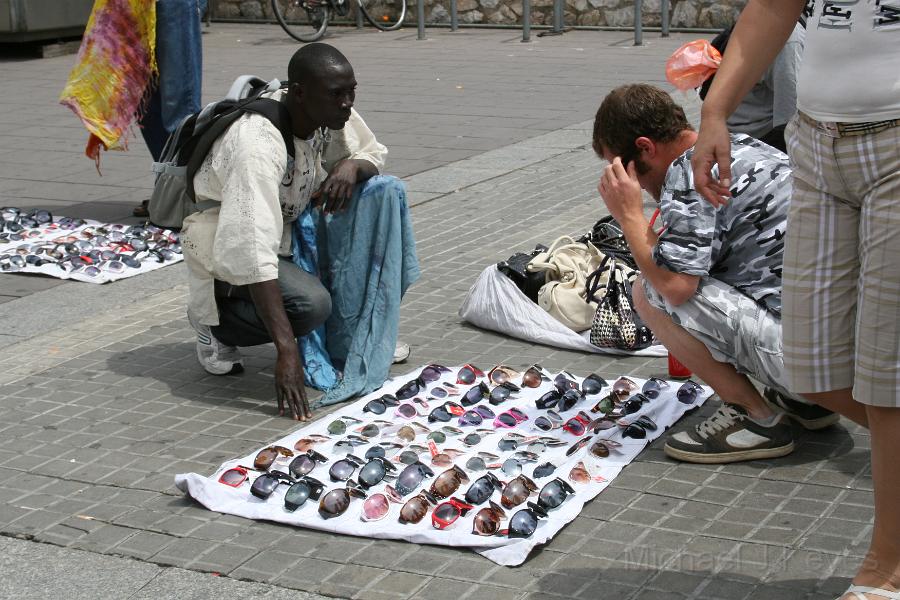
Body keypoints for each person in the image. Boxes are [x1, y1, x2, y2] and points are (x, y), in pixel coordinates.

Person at [690, 1, 899, 597]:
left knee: (886, 375)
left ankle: (887, 567)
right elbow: (773, 5)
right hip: (817, 145)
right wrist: (715, 111)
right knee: (811, 362)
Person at [592, 83, 837, 464]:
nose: (633, 184)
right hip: (839, 353)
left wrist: (629, 215)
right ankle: (807, 405)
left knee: (649, 292)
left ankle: (757, 420)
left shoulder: (690, 173)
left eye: (624, 170)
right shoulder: (738, 145)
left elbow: (674, 286)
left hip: (810, 365)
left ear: (644, 147)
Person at [181, 43, 419, 422]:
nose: (347, 103)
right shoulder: (256, 145)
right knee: (311, 304)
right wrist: (287, 351)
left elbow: (374, 151)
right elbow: (251, 250)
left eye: (351, 92)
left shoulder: (325, 111)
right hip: (227, 239)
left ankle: (358, 333)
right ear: (300, 93)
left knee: (385, 191)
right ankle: (215, 325)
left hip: (289, 227)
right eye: (337, 95)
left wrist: (353, 166)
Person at [697, 18, 805, 152]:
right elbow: (792, 119)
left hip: (731, 126)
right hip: (757, 138)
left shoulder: (754, 20)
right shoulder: (788, 38)